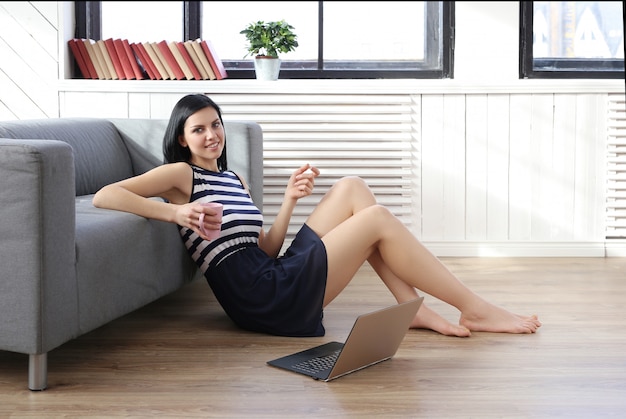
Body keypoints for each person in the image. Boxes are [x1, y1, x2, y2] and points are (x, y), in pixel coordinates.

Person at [93, 94, 541, 338]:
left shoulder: (236, 180)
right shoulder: (180, 175)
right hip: (261, 299)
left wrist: (289, 200)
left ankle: (412, 308)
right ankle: (472, 308)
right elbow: (106, 196)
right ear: (183, 138)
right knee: (378, 219)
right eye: (198, 129)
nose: (211, 134)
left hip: (271, 271)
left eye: (215, 124)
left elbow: (265, 248)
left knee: (352, 187)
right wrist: (176, 214)